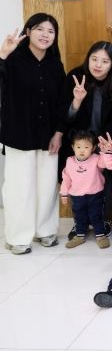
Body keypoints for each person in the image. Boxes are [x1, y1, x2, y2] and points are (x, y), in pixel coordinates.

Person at [0, 14, 65, 255]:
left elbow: (61, 102)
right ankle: (17, 237)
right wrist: (2, 56)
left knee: (47, 186)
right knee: (19, 187)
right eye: (39, 29)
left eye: (51, 31)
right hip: (19, 134)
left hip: (48, 135)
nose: (45, 35)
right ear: (28, 31)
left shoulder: (55, 64)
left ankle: (45, 230)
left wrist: (59, 132)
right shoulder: (12, 59)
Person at [58, 41, 112, 237]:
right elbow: (64, 117)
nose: (98, 65)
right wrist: (77, 101)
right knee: (77, 178)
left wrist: (109, 143)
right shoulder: (76, 77)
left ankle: (104, 220)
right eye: (94, 59)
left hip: (105, 140)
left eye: (105, 61)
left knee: (106, 177)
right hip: (79, 140)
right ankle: (80, 223)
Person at [59, 130, 109, 249]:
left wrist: (105, 151)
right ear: (73, 147)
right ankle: (79, 236)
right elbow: (66, 179)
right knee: (79, 216)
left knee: (96, 215)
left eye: (86, 147)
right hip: (77, 196)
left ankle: (100, 235)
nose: (82, 150)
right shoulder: (70, 161)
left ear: (93, 148)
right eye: (78, 147)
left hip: (95, 194)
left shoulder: (97, 159)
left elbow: (104, 164)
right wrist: (64, 194)